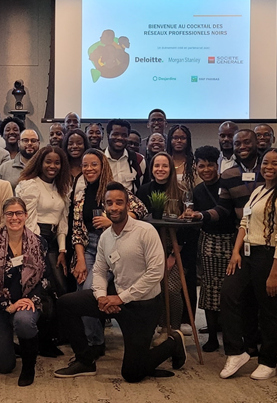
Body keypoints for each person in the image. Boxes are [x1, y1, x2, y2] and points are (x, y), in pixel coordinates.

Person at [56, 182, 188, 382]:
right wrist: (101, 297)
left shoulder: (146, 231)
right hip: (115, 299)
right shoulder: (106, 237)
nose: (114, 207)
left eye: (119, 202)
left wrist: (121, 298)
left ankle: (173, 342)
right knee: (66, 303)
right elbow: (99, 269)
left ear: (128, 205)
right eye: (109, 203)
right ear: (105, 206)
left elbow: (156, 273)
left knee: (132, 374)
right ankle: (85, 360)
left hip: (143, 306)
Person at [219, 148, 277, 382]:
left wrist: (274, 274)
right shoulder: (259, 190)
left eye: (274, 163)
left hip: (270, 257)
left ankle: (268, 361)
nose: (268, 167)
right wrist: (236, 252)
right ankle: (236, 351)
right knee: (228, 295)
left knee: (270, 309)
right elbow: (245, 221)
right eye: (265, 162)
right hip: (247, 254)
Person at [71, 149, 149, 356]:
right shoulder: (81, 195)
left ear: (103, 165)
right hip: (89, 247)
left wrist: (111, 220)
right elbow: (77, 231)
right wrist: (80, 259)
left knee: (90, 290)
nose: (89, 169)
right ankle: (93, 340)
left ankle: (96, 342)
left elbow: (141, 210)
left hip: (114, 246)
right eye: (85, 165)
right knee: (81, 290)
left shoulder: (114, 190)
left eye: (94, 164)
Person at [0, 198, 48, 386]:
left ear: (26, 215)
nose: (14, 217)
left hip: (27, 301)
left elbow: (45, 279)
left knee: (24, 321)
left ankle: (28, 366)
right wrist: (8, 306)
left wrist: (31, 299)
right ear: (4, 216)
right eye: (10, 213)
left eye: (19, 213)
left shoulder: (39, 243)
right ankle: (14, 345)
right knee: (4, 365)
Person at [16, 145, 71, 355]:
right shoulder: (30, 185)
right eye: (49, 161)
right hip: (35, 242)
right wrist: (35, 250)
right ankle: (37, 341)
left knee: (59, 290)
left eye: (57, 162)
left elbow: (62, 221)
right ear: (40, 162)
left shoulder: (61, 187)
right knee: (41, 290)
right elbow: (28, 221)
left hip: (55, 244)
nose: (53, 166)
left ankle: (50, 337)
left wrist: (63, 250)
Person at [184, 146, 238, 352]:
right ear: (196, 167)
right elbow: (194, 215)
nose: (206, 169)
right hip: (207, 242)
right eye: (201, 165)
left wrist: (201, 215)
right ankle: (213, 337)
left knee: (229, 291)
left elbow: (226, 212)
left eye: (210, 165)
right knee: (209, 290)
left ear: (217, 166)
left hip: (230, 242)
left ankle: (231, 336)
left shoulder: (227, 185)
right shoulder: (197, 190)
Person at [136, 152, 186, 330]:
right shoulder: (143, 190)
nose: (160, 169)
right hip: (148, 248)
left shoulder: (181, 192)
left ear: (171, 169)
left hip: (174, 248)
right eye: (157, 166)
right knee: (151, 291)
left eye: (164, 166)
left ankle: (173, 329)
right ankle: (156, 326)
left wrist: (173, 255)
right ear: (151, 169)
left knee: (171, 290)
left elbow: (186, 229)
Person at [104, 119, 143, 193]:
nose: (120, 138)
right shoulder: (99, 159)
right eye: (115, 134)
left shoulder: (139, 160)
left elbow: (144, 188)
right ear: (108, 135)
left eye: (124, 135)